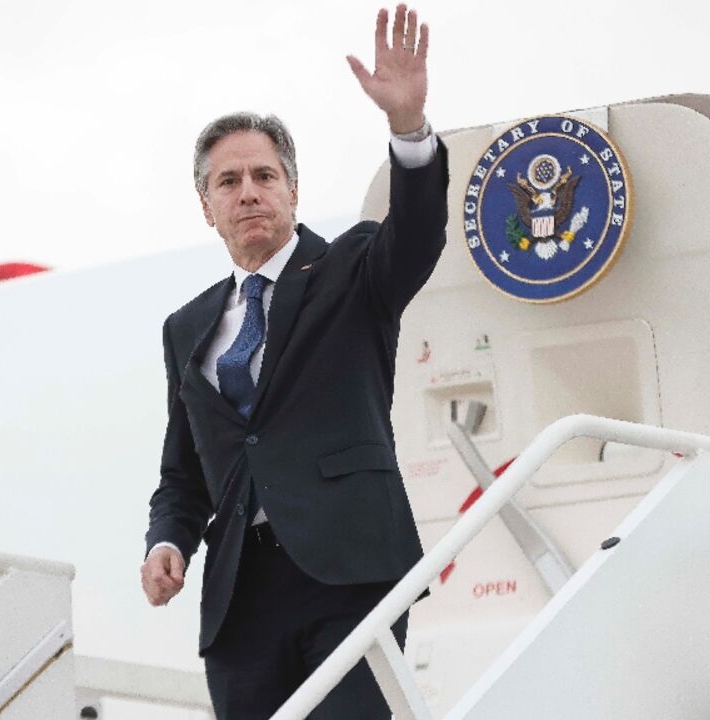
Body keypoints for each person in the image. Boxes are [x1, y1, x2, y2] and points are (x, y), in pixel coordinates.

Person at [140, 4, 447, 718]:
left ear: (292, 190)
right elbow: (183, 473)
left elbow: (420, 232)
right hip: (241, 598)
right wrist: (168, 540)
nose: (248, 191)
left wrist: (408, 127)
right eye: (228, 181)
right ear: (206, 206)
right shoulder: (186, 327)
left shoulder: (352, 270)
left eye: (264, 175)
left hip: (349, 571)